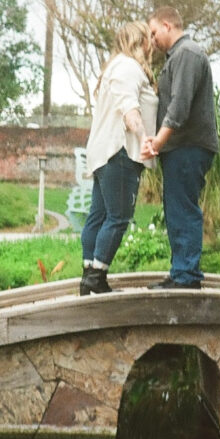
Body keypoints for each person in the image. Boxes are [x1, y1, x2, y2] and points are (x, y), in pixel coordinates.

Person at [79, 21, 159, 295]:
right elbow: (130, 110)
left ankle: (88, 276)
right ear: (140, 41)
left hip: (103, 152)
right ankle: (96, 278)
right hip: (120, 152)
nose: (153, 43)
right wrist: (144, 137)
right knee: (119, 217)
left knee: (98, 215)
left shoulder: (112, 67)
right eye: (150, 37)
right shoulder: (128, 68)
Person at [142, 7, 219, 290]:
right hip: (180, 148)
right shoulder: (177, 57)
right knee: (175, 208)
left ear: (167, 25)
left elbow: (180, 106)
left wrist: (159, 141)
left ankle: (185, 277)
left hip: (188, 146)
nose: (152, 40)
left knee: (183, 208)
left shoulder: (187, 54)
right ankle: (181, 272)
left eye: (153, 33)